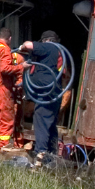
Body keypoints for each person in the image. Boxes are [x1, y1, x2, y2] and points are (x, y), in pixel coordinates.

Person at [20, 31, 65, 162]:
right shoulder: (58, 52)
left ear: (45, 40)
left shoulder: (49, 46)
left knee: (41, 121)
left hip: (46, 93)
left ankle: (41, 154)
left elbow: (29, 45)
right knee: (50, 123)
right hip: (54, 92)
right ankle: (52, 155)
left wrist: (23, 46)